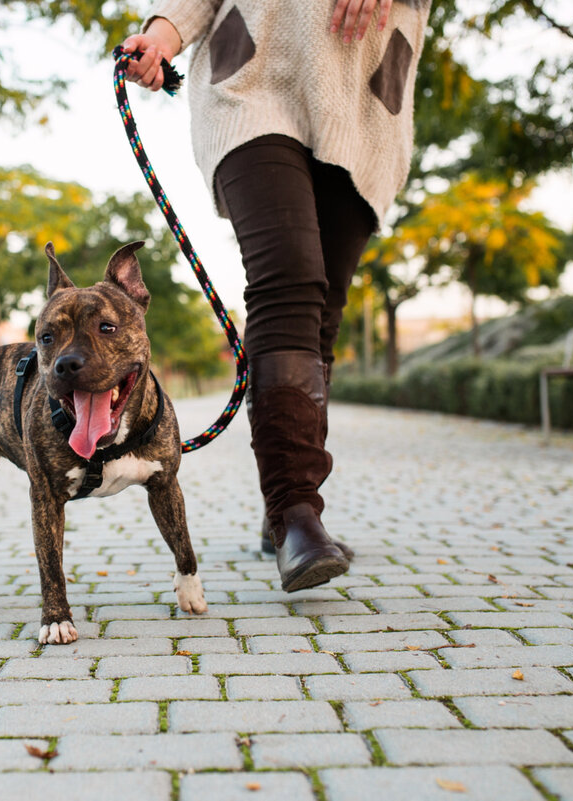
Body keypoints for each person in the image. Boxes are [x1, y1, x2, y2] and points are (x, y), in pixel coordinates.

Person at [122, 0, 430, 592]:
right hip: (255, 76)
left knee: (322, 311)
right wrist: (162, 35)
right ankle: (295, 512)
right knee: (289, 276)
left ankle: (285, 507)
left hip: (364, 91)